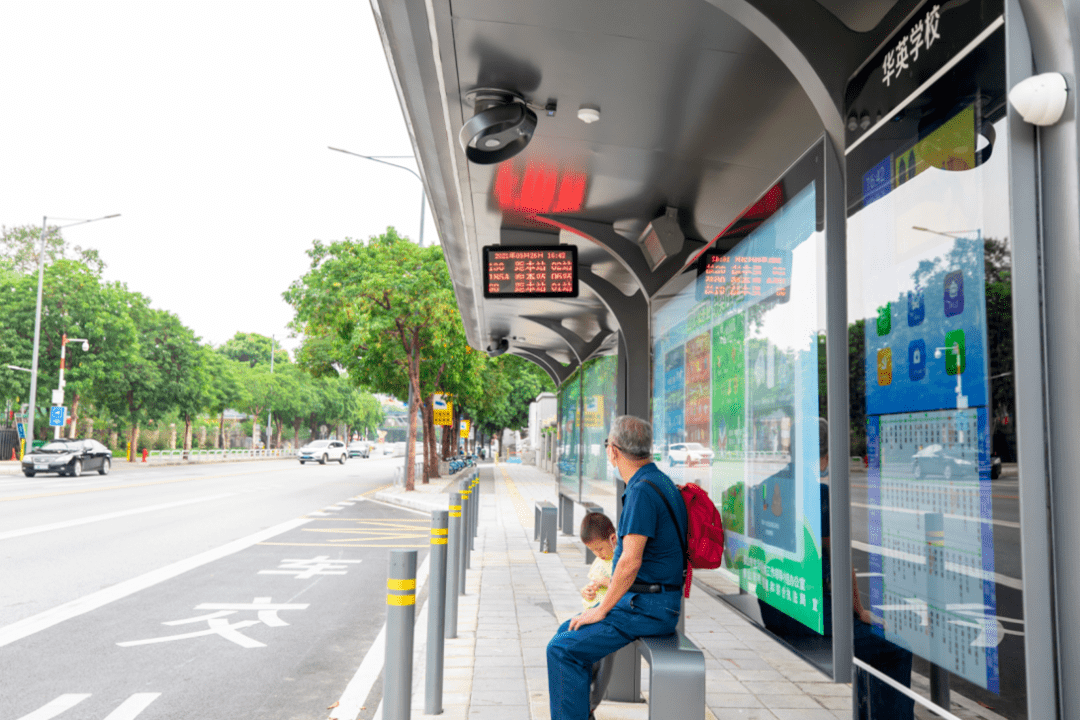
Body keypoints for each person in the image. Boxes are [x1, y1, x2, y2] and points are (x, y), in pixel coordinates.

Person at [547, 415, 687, 720]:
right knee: (566, 632)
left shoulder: (641, 491)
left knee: (562, 649)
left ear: (614, 451)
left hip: (646, 609)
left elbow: (629, 561)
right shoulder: (658, 481)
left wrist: (600, 609)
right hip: (652, 603)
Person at [578, 512, 617, 715]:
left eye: (600, 548)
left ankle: (592, 703)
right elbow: (593, 595)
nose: (599, 554)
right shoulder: (600, 562)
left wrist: (606, 583)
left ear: (613, 539)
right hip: (595, 614)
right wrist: (589, 594)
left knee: (603, 661)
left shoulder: (620, 559)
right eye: (593, 551)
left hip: (611, 616)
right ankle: (583, 699)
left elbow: (626, 587)